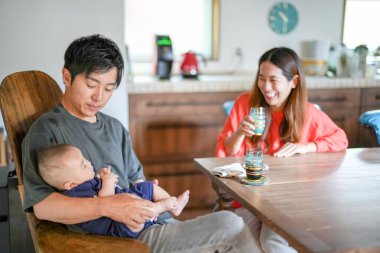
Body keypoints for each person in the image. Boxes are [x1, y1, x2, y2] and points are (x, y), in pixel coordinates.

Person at [22, 34, 262, 252]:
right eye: (91, 85)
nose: (99, 97)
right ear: (67, 76)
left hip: (151, 223)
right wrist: (107, 207)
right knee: (229, 225)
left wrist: (160, 208)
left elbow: (137, 180)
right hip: (116, 240)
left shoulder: (115, 128)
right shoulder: (47, 131)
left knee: (240, 225)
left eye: (108, 89)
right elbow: (43, 207)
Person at [216, 47, 348, 252]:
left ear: (294, 81)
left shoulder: (307, 113)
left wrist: (307, 146)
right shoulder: (245, 103)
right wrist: (240, 132)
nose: (266, 87)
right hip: (248, 198)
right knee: (242, 241)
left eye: (273, 80)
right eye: (261, 78)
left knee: (272, 242)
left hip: (285, 203)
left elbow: (340, 139)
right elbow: (225, 153)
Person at [38, 144, 190, 238]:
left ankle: (174, 206)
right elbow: (107, 200)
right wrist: (108, 181)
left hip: (130, 204)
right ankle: (160, 207)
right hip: (120, 227)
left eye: (85, 159)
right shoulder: (75, 194)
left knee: (148, 187)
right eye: (83, 165)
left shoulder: (83, 183)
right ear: (70, 184)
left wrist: (100, 177)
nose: (89, 162)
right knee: (135, 210)